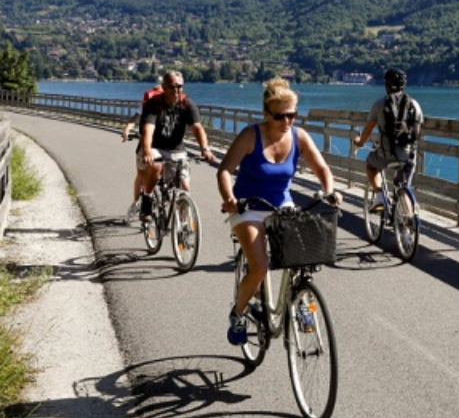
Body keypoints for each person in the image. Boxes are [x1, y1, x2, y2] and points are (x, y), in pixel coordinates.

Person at [216, 78, 342, 346]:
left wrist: (328, 190)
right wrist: (229, 198)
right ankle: (238, 312)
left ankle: (300, 300)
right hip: (248, 207)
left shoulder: (299, 136)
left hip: (281, 206)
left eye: (292, 115)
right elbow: (225, 170)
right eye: (280, 116)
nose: (287, 121)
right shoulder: (251, 135)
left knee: (301, 258)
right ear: (266, 114)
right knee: (260, 267)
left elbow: (322, 169)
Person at [138, 72, 215, 219]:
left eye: (179, 87)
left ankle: (182, 227)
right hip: (156, 146)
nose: (176, 90)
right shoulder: (154, 104)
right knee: (155, 166)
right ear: (164, 87)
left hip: (176, 149)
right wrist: (147, 151)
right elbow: (148, 129)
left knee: (184, 187)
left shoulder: (187, 104)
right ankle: (147, 199)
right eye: (172, 87)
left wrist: (205, 149)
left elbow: (197, 128)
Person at [352, 68, 423, 211]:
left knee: (371, 165)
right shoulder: (414, 104)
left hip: (387, 155)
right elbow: (416, 132)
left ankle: (379, 197)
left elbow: (367, 130)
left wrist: (359, 142)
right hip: (409, 156)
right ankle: (408, 225)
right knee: (404, 188)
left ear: (387, 85)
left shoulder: (379, 104)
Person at [122, 78, 165, 222]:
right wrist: (127, 129)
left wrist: (127, 130)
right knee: (142, 173)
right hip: (147, 144)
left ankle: (166, 202)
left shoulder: (161, 104)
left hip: (162, 145)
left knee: (150, 173)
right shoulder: (147, 105)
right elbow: (134, 119)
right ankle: (136, 203)